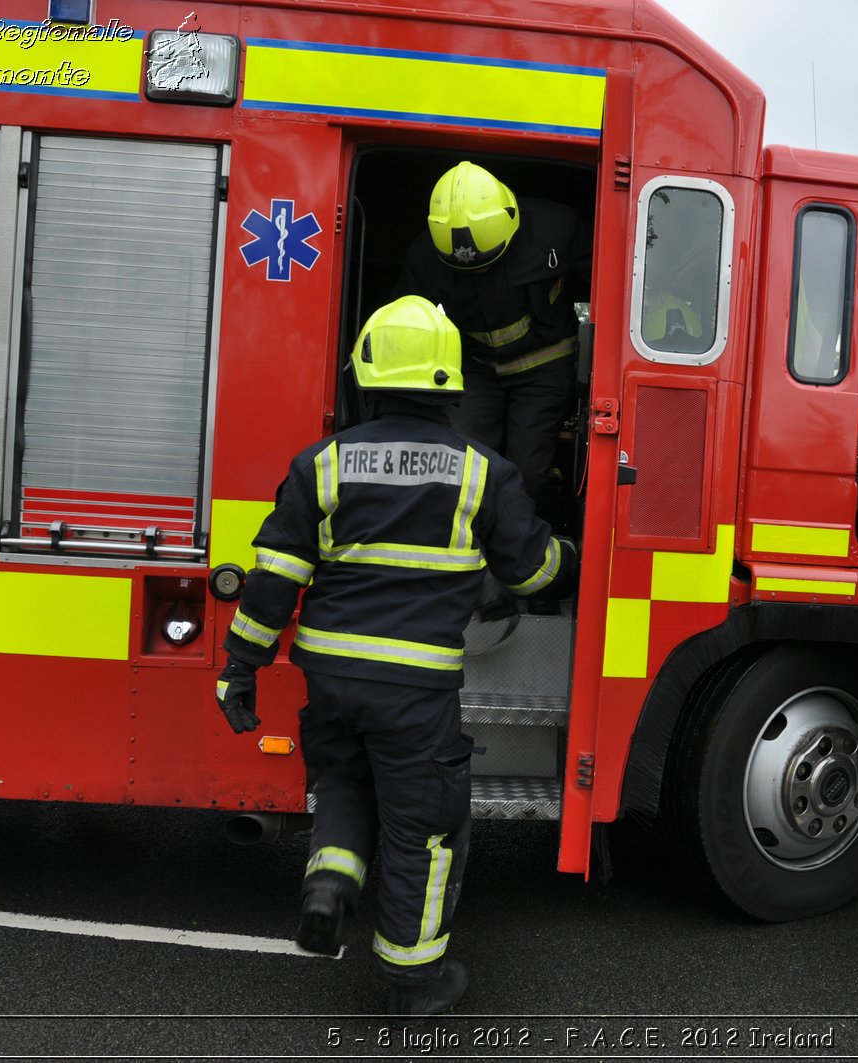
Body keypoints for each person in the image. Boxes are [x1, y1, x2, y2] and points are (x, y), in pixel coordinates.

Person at [213, 296, 578, 1019]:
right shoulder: (483, 473)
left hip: (332, 677)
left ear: (367, 376)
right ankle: (416, 984)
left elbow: (273, 580)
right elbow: (534, 572)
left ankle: (328, 888)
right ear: (451, 381)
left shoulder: (322, 464)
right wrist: (572, 553)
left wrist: (239, 667)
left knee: (347, 786)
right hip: (414, 690)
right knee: (423, 828)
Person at [394, 161, 591, 524]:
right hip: (476, 368)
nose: (480, 271)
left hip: (545, 367)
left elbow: (614, 277)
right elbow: (400, 319)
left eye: (488, 263)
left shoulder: (558, 229)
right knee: (460, 463)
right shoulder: (424, 256)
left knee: (528, 472)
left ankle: (539, 539)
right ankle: (467, 544)